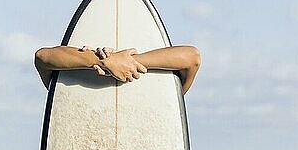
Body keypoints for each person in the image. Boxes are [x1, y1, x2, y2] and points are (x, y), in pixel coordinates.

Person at [34, 44, 200, 94]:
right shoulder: (72, 85)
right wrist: (103, 62)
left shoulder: (163, 94)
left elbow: (192, 57)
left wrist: (122, 62)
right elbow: (42, 57)